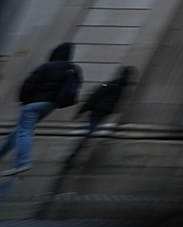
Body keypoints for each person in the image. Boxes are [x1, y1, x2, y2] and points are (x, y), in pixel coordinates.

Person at [0, 43, 81, 176]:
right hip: (50, 105)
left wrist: (24, 100)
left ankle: (23, 163)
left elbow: (29, 83)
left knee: (24, 132)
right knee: (18, 132)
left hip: (33, 104)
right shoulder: (73, 69)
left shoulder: (47, 67)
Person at [62, 65, 136, 171]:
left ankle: (74, 156)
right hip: (98, 112)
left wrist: (83, 110)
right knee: (88, 135)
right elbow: (95, 97)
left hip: (99, 112)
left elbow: (95, 96)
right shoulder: (116, 86)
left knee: (88, 135)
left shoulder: (117, 86)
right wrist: (83, 110)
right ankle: (72, 156)